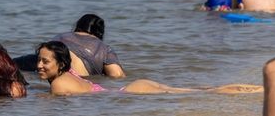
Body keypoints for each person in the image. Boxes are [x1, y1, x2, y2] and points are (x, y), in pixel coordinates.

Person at [37, 41, 261, 96]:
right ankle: (259, 89)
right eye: (38, 60)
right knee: (204, 90)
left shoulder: (58, 84)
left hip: (134, 92)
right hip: (135, 88)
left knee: (208, 92)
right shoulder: (70, 73)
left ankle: (258, 90)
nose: (39, 65)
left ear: (62, 64)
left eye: (45, 61)